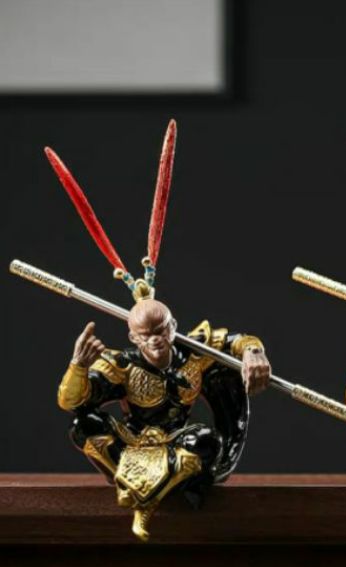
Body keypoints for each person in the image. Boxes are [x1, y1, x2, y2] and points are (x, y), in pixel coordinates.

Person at [46, 120, 270, 540]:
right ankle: (142, 495)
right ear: (133, 337)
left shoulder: (193, 352)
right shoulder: (122, 366)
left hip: (179, 439)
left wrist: (254, 353)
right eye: (146, 335)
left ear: (173, 326)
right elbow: (70, 402)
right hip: (133, 441)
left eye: (162, 330)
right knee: (84, 426)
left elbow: (237, 341)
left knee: (206, 442)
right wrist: (77, 366)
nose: (156, 340)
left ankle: (148, 495)